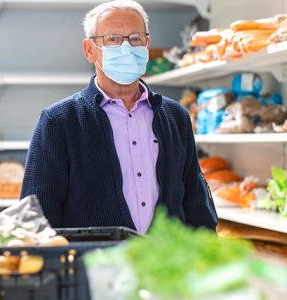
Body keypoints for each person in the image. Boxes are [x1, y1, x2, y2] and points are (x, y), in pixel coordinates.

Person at [21, 0, 217, 232]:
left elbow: (196, 202)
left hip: (165, 264)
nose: (126, 48)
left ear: (146, 44)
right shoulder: (59, 121)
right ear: (89, 50)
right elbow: (37, 215)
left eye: (135, 39)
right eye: (112, 39)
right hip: (95, 265)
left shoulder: (176, 117)